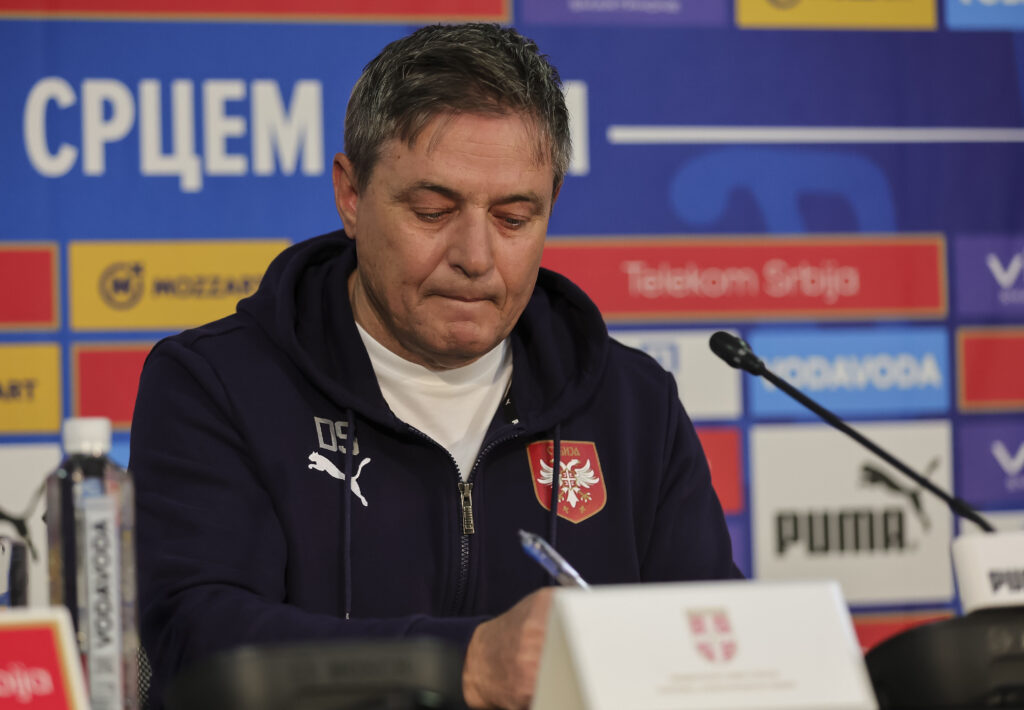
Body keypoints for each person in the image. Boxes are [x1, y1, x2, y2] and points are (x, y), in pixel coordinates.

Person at [131, 22, 740, 710]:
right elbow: (199, 645)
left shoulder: (634, 405)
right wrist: (462, 664)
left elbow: (717, 653)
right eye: (432, 211)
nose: (475, 256)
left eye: (514, 218)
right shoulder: (216, 385)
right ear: (351, 195)